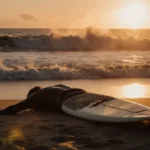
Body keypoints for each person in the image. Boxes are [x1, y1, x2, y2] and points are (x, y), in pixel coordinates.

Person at [0, 84, 86, 115]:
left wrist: (2, 111)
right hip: (82, 92)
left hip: (67, 99)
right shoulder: (59, 85)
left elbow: (15, 108)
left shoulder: (35, 96)